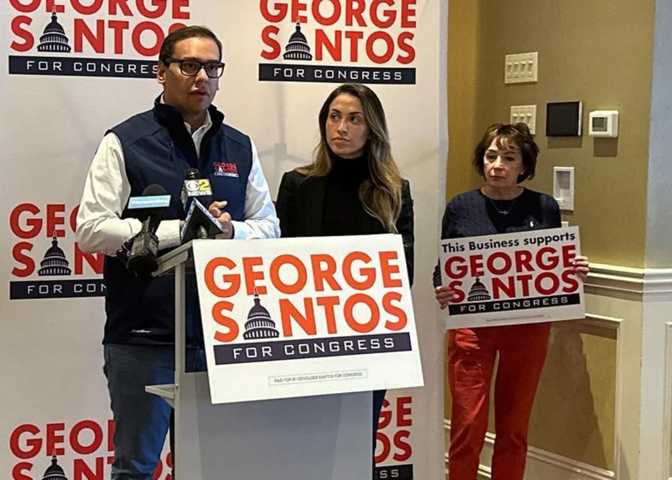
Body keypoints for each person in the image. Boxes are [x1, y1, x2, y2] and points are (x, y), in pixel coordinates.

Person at [76, 25, 279, 480]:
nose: (201, 77)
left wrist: (228, 234)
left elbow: (269, 227)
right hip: (144, 336)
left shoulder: (239, 147)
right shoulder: (125, 142)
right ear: (161, 73)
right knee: (136, 468)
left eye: (212, 67)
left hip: (221, 336)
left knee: (214, 466)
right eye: (188, 65)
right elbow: (90, 229)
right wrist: (181, 232)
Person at [434, 123, 589, 480]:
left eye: (508, 157)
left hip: (528, 329)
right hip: (473, 328)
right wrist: (441, 286)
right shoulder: (461, 207)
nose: (498, 165)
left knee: (514, 428)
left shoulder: (544, 207)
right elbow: (444, 267)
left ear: (523, 165)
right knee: (467, 426)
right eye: (491, 156)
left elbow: (556, 267)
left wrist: (575, 269)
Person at [275, 83, 414, 467]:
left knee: (355, 449)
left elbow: (405, 274)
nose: (342, 127)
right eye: (334, 117)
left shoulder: (394, 191)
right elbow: (276, 265)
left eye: (354, 119)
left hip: (369, 341)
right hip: (306, 337)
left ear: (372, 129)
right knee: (305, 448)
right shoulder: (297, 184)